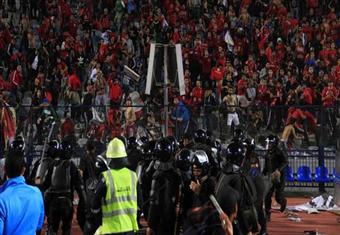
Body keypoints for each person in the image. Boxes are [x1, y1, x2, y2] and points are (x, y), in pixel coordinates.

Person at [91, 137, 139, 235]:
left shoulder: (106, 177)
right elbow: (140, 204)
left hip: (111, 229)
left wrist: (100, 222)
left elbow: (94, 205)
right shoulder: (133, 175)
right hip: (129, 228)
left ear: (109, 158)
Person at [43, 140, 86, 235]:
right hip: (67, 203)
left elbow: (45, 185)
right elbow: (80, 188)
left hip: (53, 202)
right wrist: (84, 204)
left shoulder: (52, 164)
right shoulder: (72, 166)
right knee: (66, 229)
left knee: (52, 229)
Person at [216, 142, 259, 234]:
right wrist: (247, 230)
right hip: (231, 223)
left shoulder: (222, 173)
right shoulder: (237, 178)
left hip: (218, 219)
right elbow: (239, 208)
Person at [0, 150, 44, 234]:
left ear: (5, 169)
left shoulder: (2, 199)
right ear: (23, 170)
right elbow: (38, 225)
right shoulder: (37, 193)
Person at [148, 138, 181, 235]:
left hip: (160, 221)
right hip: (172, 219)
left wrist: (150, 224)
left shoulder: (156, 175)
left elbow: (154, 201)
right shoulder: (176, 174)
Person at [263, 135, 288, 221]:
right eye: (268, 143)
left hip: (279, 176)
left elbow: (285, 162)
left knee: (278, 197)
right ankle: (267, 214)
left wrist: (278, 170)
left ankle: (283, 202)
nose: (268, 145)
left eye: (270, 143)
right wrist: (263, 173)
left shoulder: (279, 152)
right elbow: (266, 165)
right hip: (270, 176)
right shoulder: (267, 153)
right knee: (267, 196)